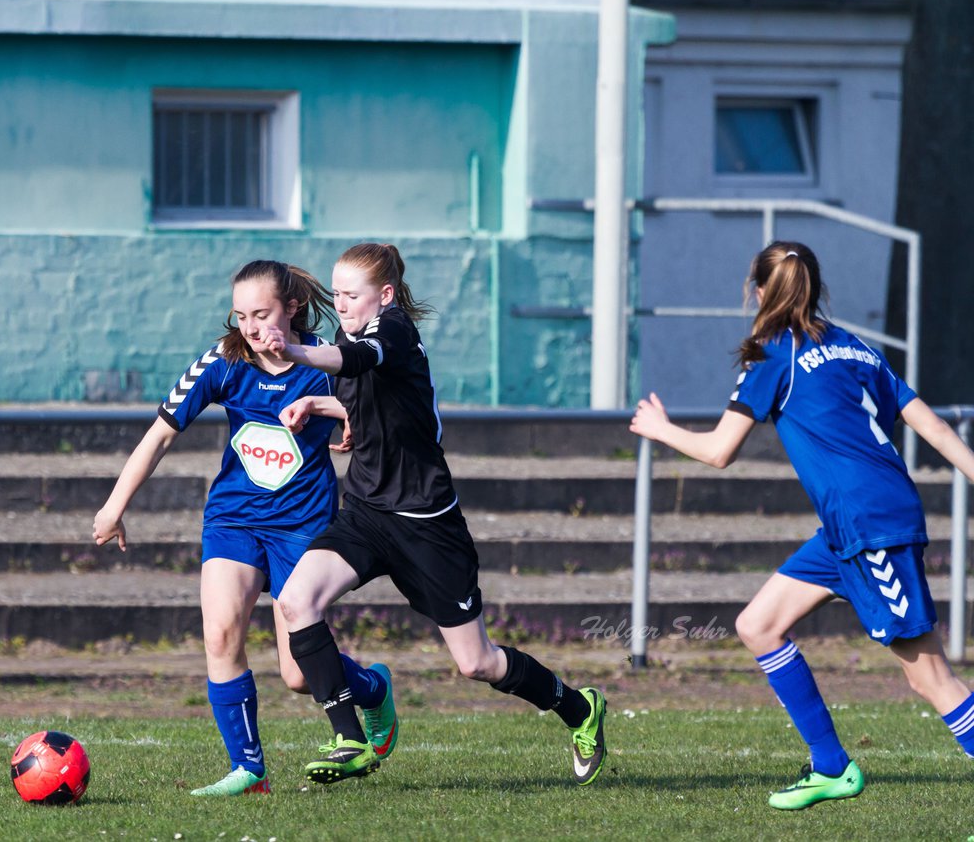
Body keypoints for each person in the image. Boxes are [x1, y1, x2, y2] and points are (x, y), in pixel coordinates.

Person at [630, 240, 974, 810]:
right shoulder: (854, 347)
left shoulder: (770, 353)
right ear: (814, 288)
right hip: (853, 526)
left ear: (759, 291)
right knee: (759, 625)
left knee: (931, 676)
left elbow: (720, 451)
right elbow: (933, 427)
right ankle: (832, 767)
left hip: (871, 527)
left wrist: (658, 427)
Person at [263, 242, 607, 786]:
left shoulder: (394, 332)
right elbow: (372, 397)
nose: (342, 303)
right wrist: (321, 405)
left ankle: (580, 709)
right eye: (337, 294)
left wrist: (296, 355)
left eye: (353, 295)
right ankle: (350, 737)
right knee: (295, 600)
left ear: (386, 295)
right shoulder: (352, 336)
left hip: (427, 525)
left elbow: (356, 361)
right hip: (368, 514)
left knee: (477, 663)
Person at [92, 259, 395, 797]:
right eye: (240, 316)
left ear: (292, 308)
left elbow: (374, 418)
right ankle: (248, 769)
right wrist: (115, 504)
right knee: (220, 631)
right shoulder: (225, 359)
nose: (251, 328)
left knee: (299, 674)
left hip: (303, 524)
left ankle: (372, 688)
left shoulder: (327, 360)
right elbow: (160, 434)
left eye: (262, 314)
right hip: (234, 519)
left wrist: (340, 425)